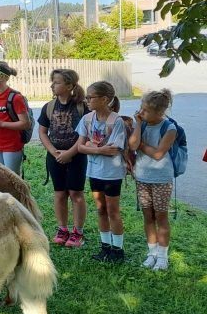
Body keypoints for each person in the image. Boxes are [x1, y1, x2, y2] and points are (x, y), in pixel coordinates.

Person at [77, 81, 127, 263]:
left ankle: (118, 250)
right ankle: (105, 247)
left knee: (113, 211)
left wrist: (91, 146)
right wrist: (98, 149)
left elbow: (113, 150)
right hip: (94, 171)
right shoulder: (87, 119)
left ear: (105, 99)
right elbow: (80, 147)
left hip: (112, 173)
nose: (87, 100)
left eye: (90, 97)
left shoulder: (117, 121)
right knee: (101, 209)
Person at [38, 69, 88, 248]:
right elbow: (43, 132)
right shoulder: (49, 106)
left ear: (69, 85)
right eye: (52, 81)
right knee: (59, 193)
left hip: (77, 156)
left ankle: (78, 232)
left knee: (76, 193)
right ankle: (62, 229)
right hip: (54, 157)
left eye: (57, 82)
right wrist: (54, 152)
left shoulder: (82, 107)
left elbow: (85, 135)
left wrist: (70, 153)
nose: (52, 85)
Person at [128, 89, 177, 271]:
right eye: (141, 108)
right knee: (148, 216)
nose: (141, 112)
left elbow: (158, 154)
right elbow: (132, 145)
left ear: (159, 112)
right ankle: (152, 253)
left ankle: (163, 257)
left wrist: (141, 145)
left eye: (146, 110)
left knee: (161, 216)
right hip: (142, 177)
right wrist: (138, 125)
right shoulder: (142, 124)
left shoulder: (169, 128)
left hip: (161, 178)